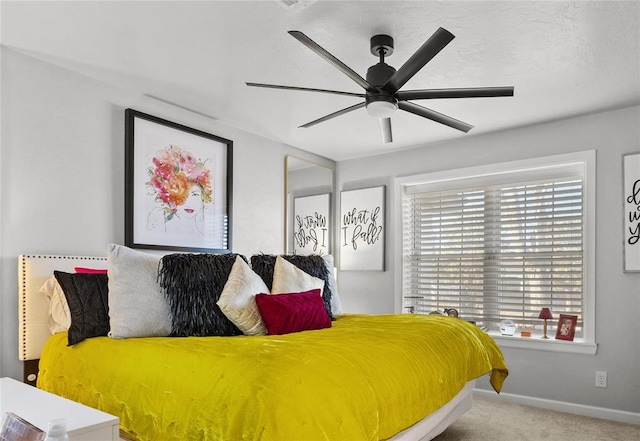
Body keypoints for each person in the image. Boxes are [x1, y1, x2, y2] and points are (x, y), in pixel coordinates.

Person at [146, 145, 213, 235]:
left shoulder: (204, 235)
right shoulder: (159, 217)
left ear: (202, 197)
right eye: (183, 193)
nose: (189, 202)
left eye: (195, 194)